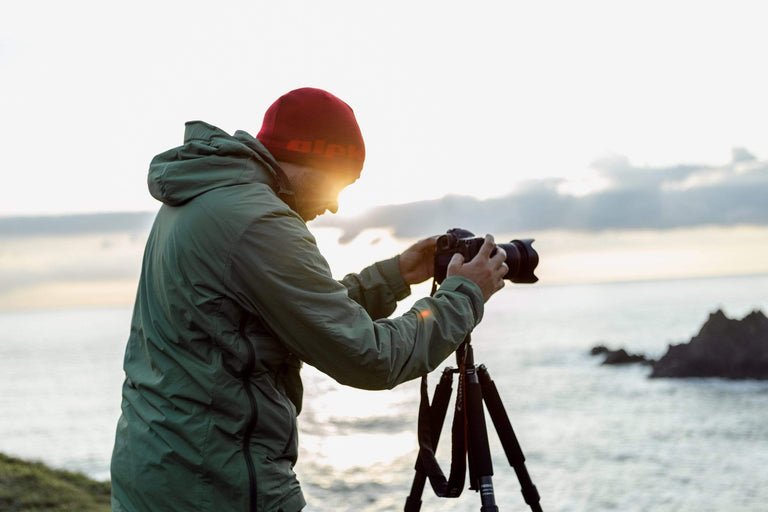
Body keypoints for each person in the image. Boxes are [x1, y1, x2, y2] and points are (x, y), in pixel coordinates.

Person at [110, 87, 508, 512]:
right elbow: (370, 358)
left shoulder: (205, 196)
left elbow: (283, 313)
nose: (336, 206)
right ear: (315, 157)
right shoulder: (260, 220)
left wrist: (399, 274)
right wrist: (464, 295)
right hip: (217, 484)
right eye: (340, 183)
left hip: (160, 468)